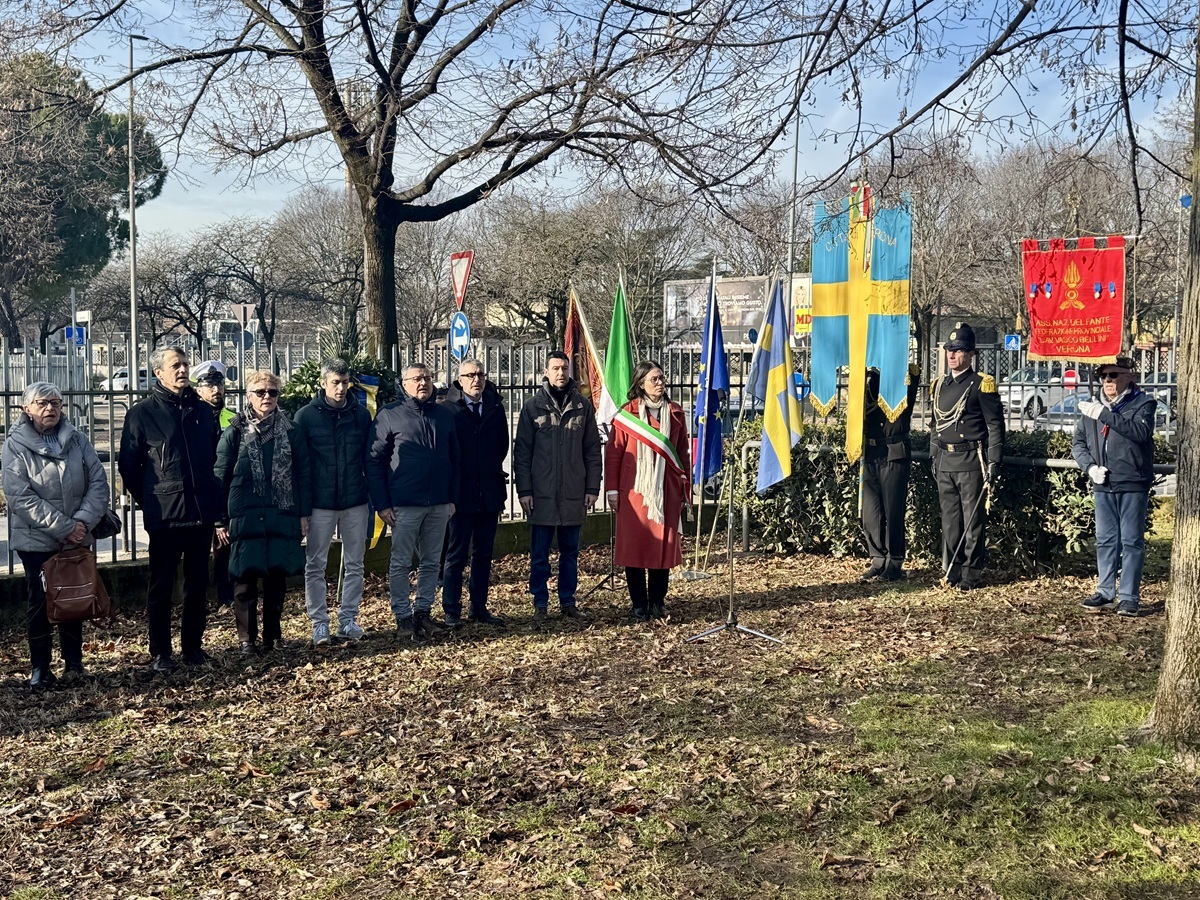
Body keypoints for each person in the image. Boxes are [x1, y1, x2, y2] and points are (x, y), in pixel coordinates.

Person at [119, 347, 224, 673]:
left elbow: (212, 460)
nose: (181, 370)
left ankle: (193, 647)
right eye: (174, 366)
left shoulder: (203, 412)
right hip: (165, 515)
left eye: (184, 364)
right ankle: (161, 652)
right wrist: (152, 498)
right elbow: (128, 466)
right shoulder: (143, 413)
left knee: (197, 583)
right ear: (158, 373)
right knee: (162, 585)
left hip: (200, 511)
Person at [3, 383, 110, 689]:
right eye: (42, 403)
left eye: (56, 403)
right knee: (40, 601)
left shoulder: (77, 439)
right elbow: (19, 496)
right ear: (27, 409)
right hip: (37, 541)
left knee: (74, 597)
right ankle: (40, 668)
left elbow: (98, 483)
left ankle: (74, 665)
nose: (50, 408)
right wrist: (64, 527)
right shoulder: (15, 445)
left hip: (77, 536)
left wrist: (81, 523)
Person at [215, 370, 312, 657]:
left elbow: (303, 475)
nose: (266, 397)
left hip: (282, 513)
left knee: (276, 578)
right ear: (248, 396)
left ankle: (272, 635)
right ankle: (247, 639)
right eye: (260, 392)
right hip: (244, 514)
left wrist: (303, 514)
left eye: (272, 392)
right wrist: (220, 519)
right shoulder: (233, 432)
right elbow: (219, 477)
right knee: (244, 579)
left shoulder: (292, 431)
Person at [366, 362, 461, 641]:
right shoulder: (389, 415)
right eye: (417, 378)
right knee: (400, 562)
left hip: (439, 503)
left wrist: (452, 498)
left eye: (427, 378)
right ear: (404, 384)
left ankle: (423, 612)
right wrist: (382, 504)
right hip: (403, 504)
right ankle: (403, 617)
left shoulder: (443, 416)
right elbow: (374, 462)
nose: (423, 383)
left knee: (432, 562)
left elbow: (456, 459)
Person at [513, 351, 602, 621]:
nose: (560, 373)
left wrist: (592, 488)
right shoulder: (532, 407)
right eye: (555, 368)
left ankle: (567, 601)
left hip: (574, 492)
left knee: (570, 554)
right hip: (541, 494)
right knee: (539, 554)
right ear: (546, 371)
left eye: (564, 368)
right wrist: (524, 491)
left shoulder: (582, 407)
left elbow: (592, 451)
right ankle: (540, 602)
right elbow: (523, 453)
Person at [293, 358, 373, 644]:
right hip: (320, 503)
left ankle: (348, 620)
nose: (340, 388)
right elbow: (300, 466)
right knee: (315, 564)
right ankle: (319, 623)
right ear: (323, 383)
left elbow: (369, 459)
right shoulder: (305, 417)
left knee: (355, 563)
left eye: (344, 382)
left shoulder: (361, 416)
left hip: (355, 501)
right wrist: (303, 509)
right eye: (335, 382)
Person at [604, 361, 690, 620]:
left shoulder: (674, 413)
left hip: (666, 491)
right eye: (654, 379)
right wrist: (612, 490)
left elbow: (683, 453)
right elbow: (614, 454)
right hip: (634, 491)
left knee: (660, 548)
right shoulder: (626, 415)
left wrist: (686, 488)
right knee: (635, 547)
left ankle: (657, 601)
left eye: (661, 378)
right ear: (640, 383)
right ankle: (638, 603)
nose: (660, 383)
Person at [1072, 356, 1157, 617]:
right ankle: (1106, 592)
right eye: (1103, 376)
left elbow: (1140, 433)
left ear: (1128, 376)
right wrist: (1089, 467)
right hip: (1103, 482)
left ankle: (1129, 596)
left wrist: (1105, 415)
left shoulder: (1143, 403)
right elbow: (1079, 443)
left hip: (1132, 480)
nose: (1107, 381)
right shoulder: (1093, 407)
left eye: (1113, 375)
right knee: (1106, 540)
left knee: (1131, 541)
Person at [929, 323, 1004, 591]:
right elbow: (936, 425)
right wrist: (934, 456)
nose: (952, 355)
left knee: (972, 521)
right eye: (950, 349)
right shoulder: (940, 385)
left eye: (958, 350)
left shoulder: (980, 385)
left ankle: (971, 572)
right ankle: (952, 568)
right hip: (946, 461)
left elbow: (995, 426)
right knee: (950, 521)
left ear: (971, 354)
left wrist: (994, 461)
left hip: (972, 460)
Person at [442, 359, 509, 627]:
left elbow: (501, 445)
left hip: (490, 492)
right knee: (455, 554)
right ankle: (451, 609)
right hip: (461, 495)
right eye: (470, 375)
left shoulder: (494, 406)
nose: (476, 380)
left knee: (483, 553)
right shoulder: (449, 410)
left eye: (480, 374)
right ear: (459, 380)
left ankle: (478, 606)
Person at [859, 365, 919, 583]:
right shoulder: (867, 381)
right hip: (872, 452)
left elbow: (911, 374)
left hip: (894, 453)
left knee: (893, 511)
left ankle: (894, 561)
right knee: (871, 513)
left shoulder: (901, 380)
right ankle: (877, 559)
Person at [193, 359, 236, 609]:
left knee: (224, 549)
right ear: (199, 389)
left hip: (226, 490)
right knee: (198, 551)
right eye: (209, 385)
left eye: (218, 384)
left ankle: (225, 596)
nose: (215, 390)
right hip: (200, 491)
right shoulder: (193, 418)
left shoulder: (233, 419)